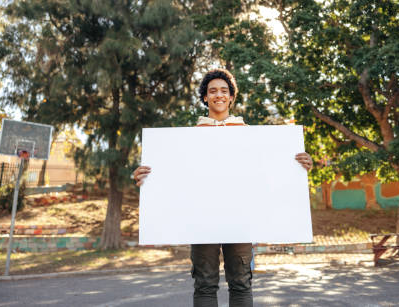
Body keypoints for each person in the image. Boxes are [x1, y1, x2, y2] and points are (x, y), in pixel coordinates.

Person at [133, 68, 312, 307]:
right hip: (202, 219)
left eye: (224, 91)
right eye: (213, 91)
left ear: (231, 97)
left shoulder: (251, 135)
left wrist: (299, 164)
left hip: (240, 219)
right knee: (205, 283)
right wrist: (145, 177)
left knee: (241, 283)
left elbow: (270, 170)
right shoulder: (187, 138)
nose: (219, 95)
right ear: (205, 97)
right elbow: (173, 175)